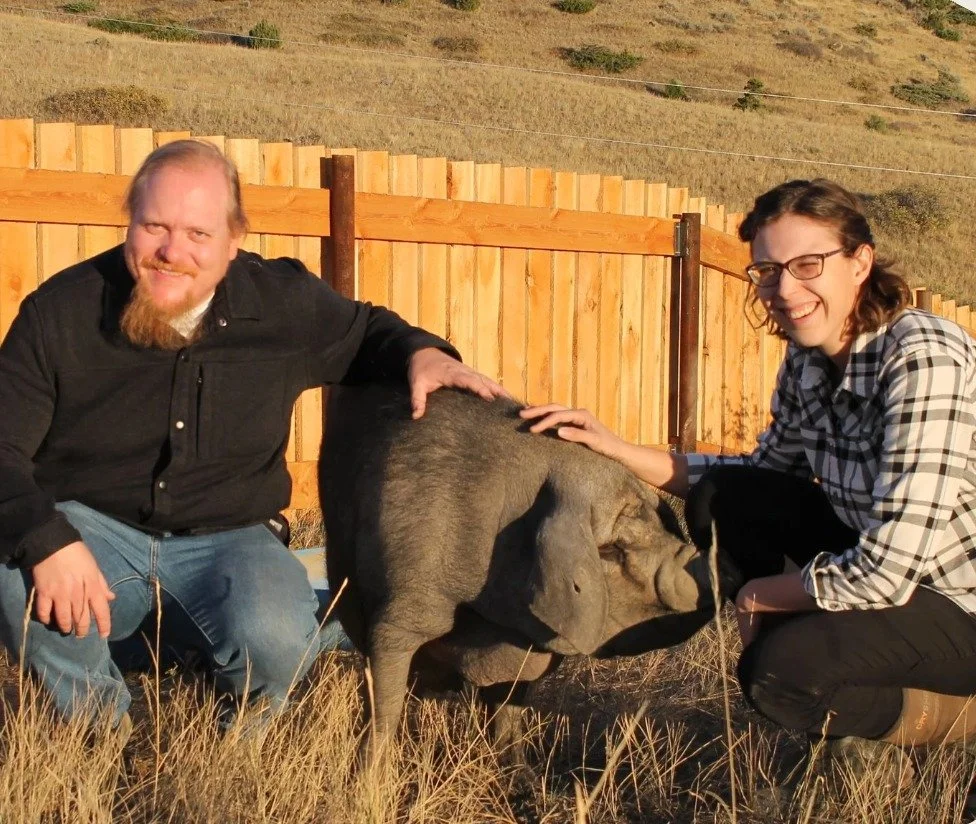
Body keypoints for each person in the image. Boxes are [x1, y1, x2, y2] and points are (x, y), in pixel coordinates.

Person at [0, 139, 506, 730]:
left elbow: (367, 330)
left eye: (198, 233)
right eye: (154, 226)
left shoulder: (282, 304)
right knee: (15, 574)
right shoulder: (60, 311)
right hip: (93, 531)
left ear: (234, 239)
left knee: (275, 633)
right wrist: (48, 540)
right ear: (129, 220)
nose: (171, 252)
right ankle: (96, 729)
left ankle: (244, 723)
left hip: (231, 539)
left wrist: (421, 352)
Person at [521, 178, 976, 782]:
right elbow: (762, 476)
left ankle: (947, 718)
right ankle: (832, 660)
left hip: (960, 597)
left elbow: (889, 569)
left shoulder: (923, 356)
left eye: (808, 264)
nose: (784, 290)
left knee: (780, 676)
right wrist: (618, 448)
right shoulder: (809, 360)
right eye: (767, 271)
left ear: (860, 262)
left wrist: (760, 595)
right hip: (890, 569)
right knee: (724, 498)